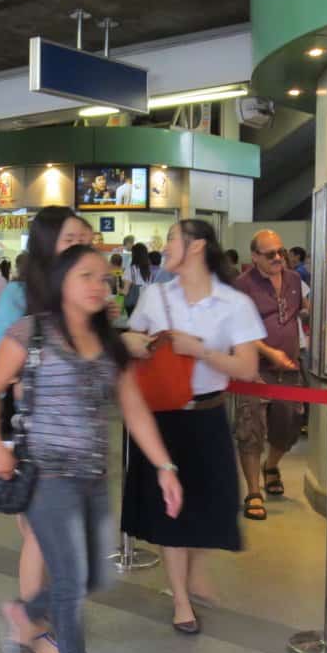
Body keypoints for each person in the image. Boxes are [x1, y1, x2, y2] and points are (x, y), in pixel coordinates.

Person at [0, 244, 182, 653]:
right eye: (85, 275)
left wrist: (165, 466)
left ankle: (25, 612)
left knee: (92, 574)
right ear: (60, 283)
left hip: (92, 475)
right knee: (72, 581)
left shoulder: (109, 342)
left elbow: (132, 406)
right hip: (45, 474)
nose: (98, 284)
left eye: (103, 276)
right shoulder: (29, 333)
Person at [122, 219, 264, 632]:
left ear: (197, 246)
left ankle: (197, 570)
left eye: (170, 238)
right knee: (173, 514)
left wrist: (198, 351)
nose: (163, 246)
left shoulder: (232, 303)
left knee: (217, 501)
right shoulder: (154, 295)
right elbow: (133, 341)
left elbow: (246, 365)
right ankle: (181, 600)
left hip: (209, 413)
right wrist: (139, 343)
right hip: (163, 418)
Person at [0, 206, 94, 653]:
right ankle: (30, 624)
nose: (81, 245)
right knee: (40, 533)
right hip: (33, 427)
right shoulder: (19, 294)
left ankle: (32, 616)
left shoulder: (83, 291)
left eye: (85, 239)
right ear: (47, 242)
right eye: (71, 238)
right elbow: (2, 371)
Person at [233, 230, 305, 520]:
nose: (278, 258)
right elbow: (238, 330)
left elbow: (296, 314)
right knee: (251, 430)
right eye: (270, 254)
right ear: (255, 257)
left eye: (280, 251)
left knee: (289, 426)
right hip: (253, 369)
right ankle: (253, 490)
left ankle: (272, 465)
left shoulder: (295, 280)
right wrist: (268, 352)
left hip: (288, 370)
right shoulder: (242, 286)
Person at [123, 242, 152, 316]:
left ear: (134, 254)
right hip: (145, 303)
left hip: (133, 304)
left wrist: (119, 290)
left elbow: (125, 291)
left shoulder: (130, 269)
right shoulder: (149, 270)